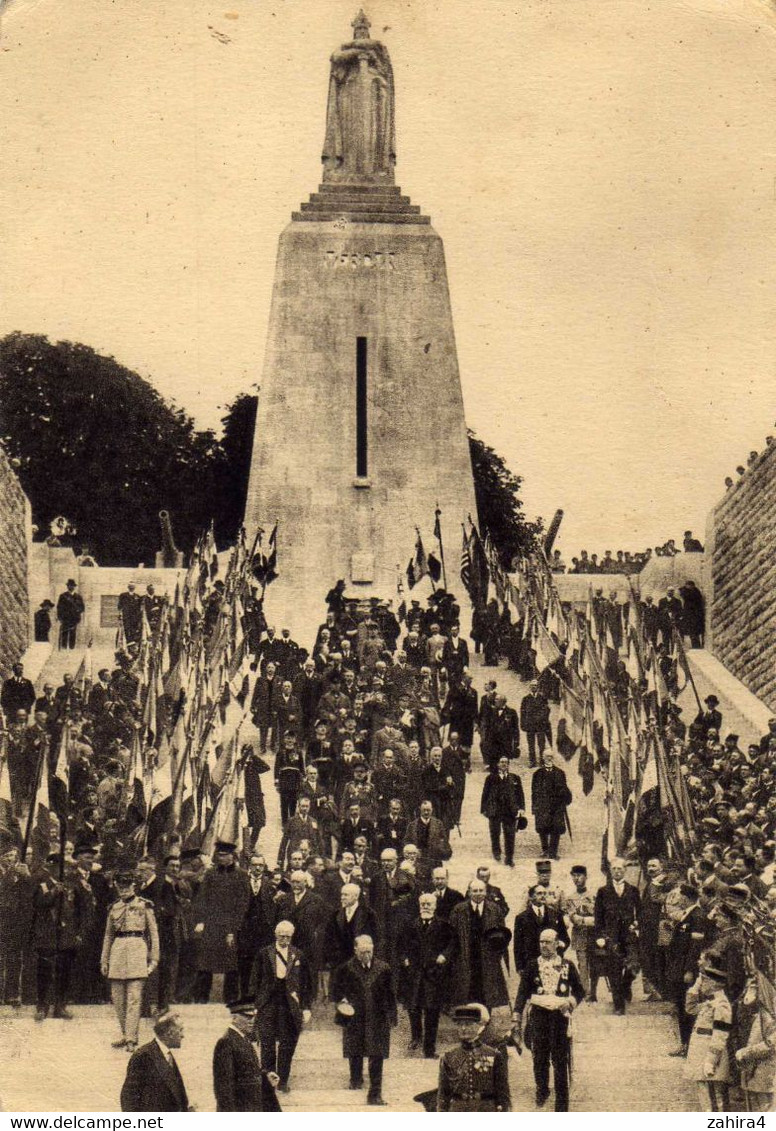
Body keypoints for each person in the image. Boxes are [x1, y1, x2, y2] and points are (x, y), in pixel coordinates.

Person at [512, 928, 584, 1111]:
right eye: (541, 942)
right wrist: (517, 1015)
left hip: (560, 1018)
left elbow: (580, 991)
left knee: (560, 1059)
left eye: (548, 942)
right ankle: (542, 1090)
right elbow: (522, 993)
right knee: (540, 1057)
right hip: (539, 1016)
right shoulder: (531, 965)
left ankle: (562, 1101)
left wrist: (570, 1002)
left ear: (557, 943)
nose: (544, 946)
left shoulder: (567, 965)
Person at [331, 934, 397, 1105]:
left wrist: (392, 1015)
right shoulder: (345, 969)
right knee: (355, 1048)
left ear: (373, 949)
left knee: (377, 1054)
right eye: (362, 952)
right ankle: (355, 1078)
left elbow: (391, 994)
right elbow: (336, 992)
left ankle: (375, 1094)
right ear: (355, 950)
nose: (366, 956)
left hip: (378, 1017)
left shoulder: (384, 968)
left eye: (369, 952)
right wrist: (342, 1002)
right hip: (355, 1016)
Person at [101, 868, 160, 1051]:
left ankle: (131, 1039)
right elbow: (108, 936)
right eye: (120, 887)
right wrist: (104, 960)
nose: (123, 890)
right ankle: (126, 1033)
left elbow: (154, 934)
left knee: (134, 998)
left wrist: (154, 959)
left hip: (137, 950)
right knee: (118, 998)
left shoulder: (145, 906)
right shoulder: (114, 908)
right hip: (118, 950)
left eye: (127, 886)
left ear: (134, 886)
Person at [254, 921, 313, 1094]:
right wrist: (254, 1004)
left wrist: (306, 1007)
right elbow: (254, 981)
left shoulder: (298, 955)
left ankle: (283, 1080)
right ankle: (268, 1081)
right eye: (281, 935)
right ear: (275, 935)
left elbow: (306, 984)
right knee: (267, 1043)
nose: (284, 939)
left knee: (288, 1043)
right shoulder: (264, 954)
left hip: (289, 1004)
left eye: (288, 936)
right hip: (268, 1002)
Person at [31, 851, 90, 1023]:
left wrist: (79, 932)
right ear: (51, 867)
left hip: (66, 934)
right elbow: (38, 904)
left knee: (64, 970)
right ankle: (42, 1006)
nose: (59, 870)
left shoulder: (71, 884)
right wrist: (54, 892)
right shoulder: (42, 882)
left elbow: (80, 909)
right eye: (56, 867)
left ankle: (60, 1005)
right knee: (45, 971)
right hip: (47, 934)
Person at [192, 840, 251, 1003]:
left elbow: (243, 905)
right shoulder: (210, 874)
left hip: (231, 928)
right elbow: (202, 898)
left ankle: (230, 1001)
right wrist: (201, 921)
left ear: (232, 856)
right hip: (211, 926)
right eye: (219, 855)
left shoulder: (242, 875)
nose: (221, 858)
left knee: (231, 966)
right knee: (205, 965)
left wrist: (233, 930)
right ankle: (200, 1001)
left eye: (224, 855)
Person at [397, 891, 453, 1058]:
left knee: (432, 1010)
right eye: (423, 904)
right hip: (413, 973)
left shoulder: (443, 925)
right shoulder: (410, 925)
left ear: (435, 906)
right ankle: (416, 1037)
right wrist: (404, 958)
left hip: (433, 974)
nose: (426, 907)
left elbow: (452, 943)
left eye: (429, 904)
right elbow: (400, 945)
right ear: (419, 906)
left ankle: (429, 1048)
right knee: (414, 1008)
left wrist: (444, 955)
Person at [448, 879, 510, 1010]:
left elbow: (501, 934)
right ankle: (469, 1018)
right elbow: (451, 935)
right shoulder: (459, 910)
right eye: (474, 891)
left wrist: (497, 953)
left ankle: (486, 1017)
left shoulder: (494, 909)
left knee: (487, 988)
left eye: (481, 890)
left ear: (486, 892)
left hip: (487, 957)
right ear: (469, 892)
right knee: (467, 988)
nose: (478, 893)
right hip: (466, 955)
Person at [437, 1003, 511, 1111]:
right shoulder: (448, 1057)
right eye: (460, 1024)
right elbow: (443, 1094)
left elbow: (502, 1093)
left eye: (468, 1024)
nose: (463, 1028)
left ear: (477, 1026)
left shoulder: (494, 1055)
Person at [213, 998, 281, 1111]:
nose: (252, 1021)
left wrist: (265, 1076)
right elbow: (224, 1085)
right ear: (234, 1018)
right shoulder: (227, 1041)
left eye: (253, 1017)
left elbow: (247, 1072)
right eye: (247, 1017)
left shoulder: (242, 1038)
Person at [684, 961, 733, 1112]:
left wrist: (710, 1062)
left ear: (713, 983)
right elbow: (690, 1008)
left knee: (714, 1104)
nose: (701, 984)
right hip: (701, 1058)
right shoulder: (710, 1002)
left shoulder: (721, 1005)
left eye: (704, 980)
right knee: (706, 1101)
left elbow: (720, 1036)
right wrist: (696, 987)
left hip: (710, 1061)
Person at [593, 857, 640, 1015]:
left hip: (629, 935)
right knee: (614, 970)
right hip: (611, 936)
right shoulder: (603, 891)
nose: (617, 871)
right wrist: (600, 935)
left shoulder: (633, 890)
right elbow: (598, 916)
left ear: (625, 870)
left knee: (634, 966)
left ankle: (626, 984)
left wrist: (636, 925)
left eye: (620, 868)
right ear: (610, 871)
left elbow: (640, 912)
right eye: (614, 869)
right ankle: (618, 1004)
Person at [120, 1011, 193, 1112]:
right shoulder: (143, 1056)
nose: (182, 1035)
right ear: (169, 1033)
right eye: (180, 1030)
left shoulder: (166, 1055)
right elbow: (128, 1098)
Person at [480, 754, 526, 867]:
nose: (504, 764)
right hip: (495, 811)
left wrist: (521, 808)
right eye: (502, 762)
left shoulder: (515, 778)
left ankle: (509, 857)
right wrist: (484, 809)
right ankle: (496, 852)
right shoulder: (491, 778)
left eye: (506, 762)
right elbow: (485, 794)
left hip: (509, 811)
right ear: (498, 764)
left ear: (509, 765)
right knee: (495, 832)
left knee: (510, 834)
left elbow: (520, 795)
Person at [513, 883, 569, 974]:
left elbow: (565, 938)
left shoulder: (555, 915)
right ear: (531, 897)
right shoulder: (521, 918)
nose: (543, 896)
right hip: (531, 964)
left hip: (552, 964)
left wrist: (559, 950)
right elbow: (518, 945)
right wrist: (520, 967)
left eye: (544, 893)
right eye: (539, 893)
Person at [531, 750, 572, 859]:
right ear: (543, 758)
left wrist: (566, 798)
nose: (549, 758)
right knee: (542, 828)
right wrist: (534, 807)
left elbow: (565, 788)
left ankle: (553, 852)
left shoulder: (560, 773)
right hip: (543, 806)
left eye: (551, 756)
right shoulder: (537, 774)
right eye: (547, 756)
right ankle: (545, 850)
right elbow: (534, 792)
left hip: (556, 806)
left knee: (556, 828)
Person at [564, 865, 595, 998]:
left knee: (594, 962)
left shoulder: (594, 896)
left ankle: (593, 991)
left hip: (594, 934)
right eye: (574, 876)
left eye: (580, 875)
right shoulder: (570, 898)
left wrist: (585, 919)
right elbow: (573, 918)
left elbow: (598, 915)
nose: (577, 879)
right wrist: (587, 919)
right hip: (579, 934)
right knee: (582, 962)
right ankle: (585, 991)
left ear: (586, 877)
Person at [520, 683, 552, 768]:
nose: (534, 687)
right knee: (531, 744)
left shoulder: (542, 698)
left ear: (538, 687)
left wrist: (541, 718)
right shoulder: (525, 699)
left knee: (541, 743)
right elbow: (522, 712)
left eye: (535, 685)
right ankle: (532, 761)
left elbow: (546, 710)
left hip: (540, 725)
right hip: (530, 725)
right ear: (530, 687)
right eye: (532, 686)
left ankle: (542, 760)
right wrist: (522, 724)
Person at [56, 579, 85, 649]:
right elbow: (59, 608)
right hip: (65, 618)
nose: (71, 587)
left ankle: (72, 648)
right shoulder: (63, 596)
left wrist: (78, 611)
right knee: (64, 633)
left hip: (74, 619)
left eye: (72, 586)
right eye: (69, 585)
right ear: (67, 586)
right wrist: (60, 617)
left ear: (74, 587)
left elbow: (82, 608)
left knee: (73, 634)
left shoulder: (78, 597)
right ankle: (64, 648)